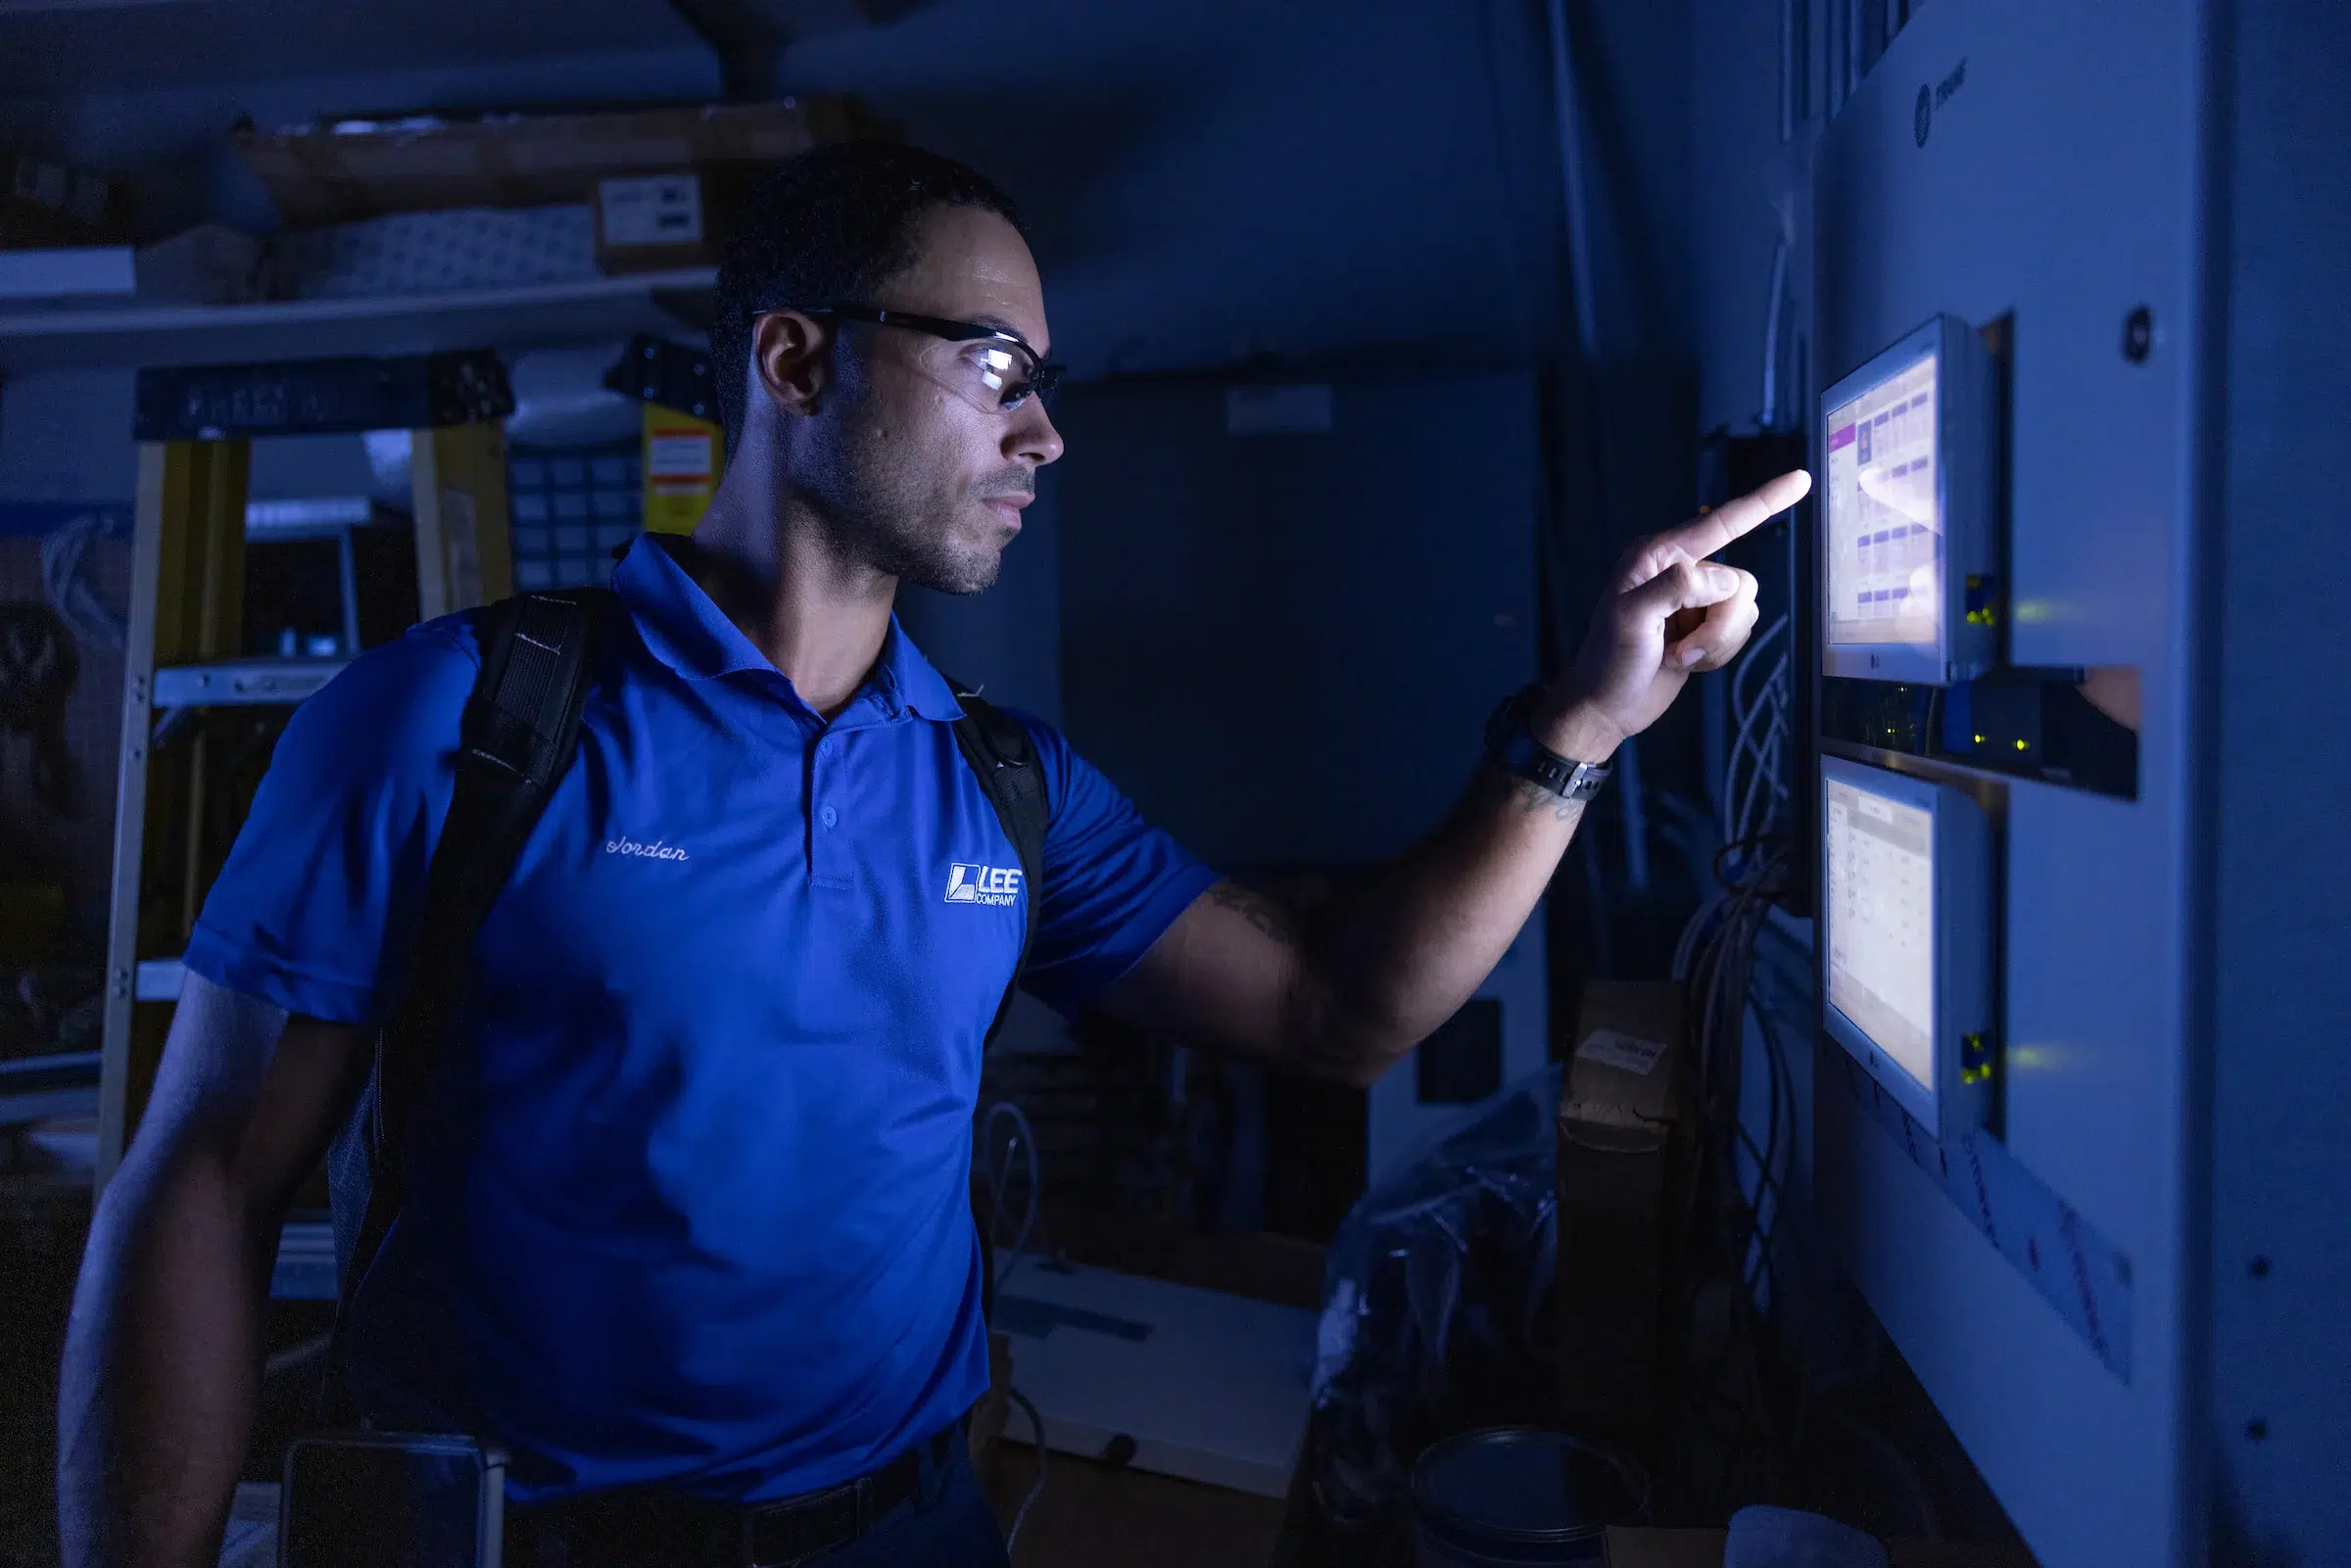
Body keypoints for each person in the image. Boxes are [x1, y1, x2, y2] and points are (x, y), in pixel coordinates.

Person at [56, 141, 1807, 1568]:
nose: (1044, 434)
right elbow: (203, 1178)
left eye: (1046, 385)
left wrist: (1583, 723)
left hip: (909, 1535)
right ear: (795, 362)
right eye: (992, 368)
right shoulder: (461, 722)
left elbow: (1343, 1011)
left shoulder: (999, 787)